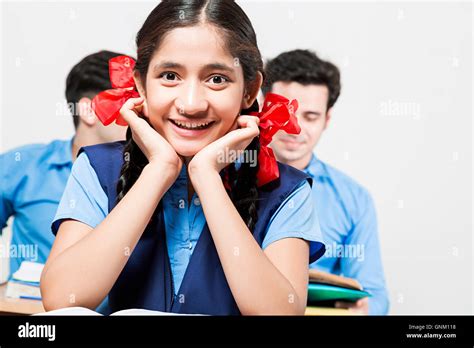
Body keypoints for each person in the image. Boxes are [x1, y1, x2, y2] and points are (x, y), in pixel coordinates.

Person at [40, 0, 325, 315]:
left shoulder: (287, 190)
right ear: (139, 84)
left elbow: (280, 313)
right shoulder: (97, 168)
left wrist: (207, 177)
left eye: (217, 79)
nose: (191, 104)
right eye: (170, 76)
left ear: (249, 89)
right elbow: (62, 299)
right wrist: (159, 170)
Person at [263, 49, 389, 315]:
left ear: (326, 119)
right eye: (285, 112)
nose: (295, 127)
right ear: (264, 107)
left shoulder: (354, 199)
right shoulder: (222, 177)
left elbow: (376, 296)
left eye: (310, 117)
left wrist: (363, 309)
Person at [0, 50, 126, 276]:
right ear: (89, 110)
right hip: (31, 309)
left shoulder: (151, 174)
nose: (138, 113)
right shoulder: (24, 165)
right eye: (126, 102)